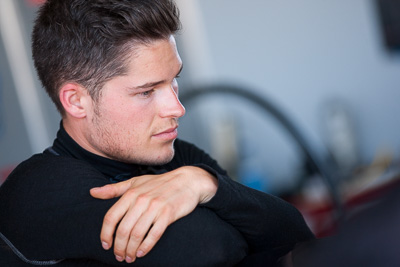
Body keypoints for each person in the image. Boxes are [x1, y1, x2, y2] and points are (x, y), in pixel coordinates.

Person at [0, 0, 314, 266]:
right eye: (147, 91)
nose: (176, 108)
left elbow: (295, 237)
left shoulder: (182, 160)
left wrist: (205, 183)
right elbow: (207, 248)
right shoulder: (37, 191)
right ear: (76, 100)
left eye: (173, 80)